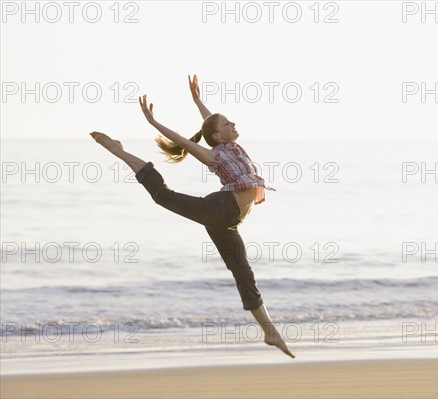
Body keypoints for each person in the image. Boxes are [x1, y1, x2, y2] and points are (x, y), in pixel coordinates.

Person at [89, 74, 294, 358]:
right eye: (227, 124)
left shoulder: (230, 146)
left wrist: (198, 101)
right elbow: (185, 140)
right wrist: (154, 123)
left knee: (244, 275)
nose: (232, 123)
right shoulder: (215, 156)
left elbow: (211, 124)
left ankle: (269, 332)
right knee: (163, 196)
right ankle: (121, 152)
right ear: (218, 136)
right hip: (220, 209)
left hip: (229, 222)